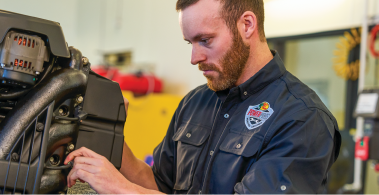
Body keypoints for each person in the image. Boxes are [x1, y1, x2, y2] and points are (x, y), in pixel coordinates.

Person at [64, 0, 342, 194]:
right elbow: (159, 184)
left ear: (247, 25)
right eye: (190, 43)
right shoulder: (195, 102)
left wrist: (121, 190)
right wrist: (111, 137)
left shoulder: (302, 118)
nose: (194, 58)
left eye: (205, 40)